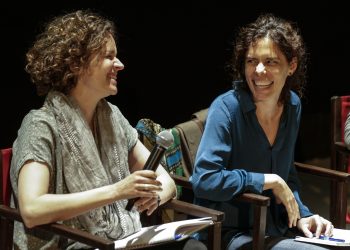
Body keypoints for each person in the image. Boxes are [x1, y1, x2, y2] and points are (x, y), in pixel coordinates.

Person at [10, 10, 206, 250]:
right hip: (71, 243)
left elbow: (165, 181)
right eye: (108, 56)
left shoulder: (112, 117)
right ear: (75, 64)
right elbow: (32, 209)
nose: (120, 65)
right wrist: (117, 191)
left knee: (193, 247)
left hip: (116, 240)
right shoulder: (41, 125)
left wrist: (154, 196)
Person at [190, 13, 336, 249]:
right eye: (251, 61)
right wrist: (267, 180)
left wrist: (302, 215)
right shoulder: (226, 109)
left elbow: (287, 175)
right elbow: (204, 180)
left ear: (292, 66)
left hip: (275, 225)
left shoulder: (292, 106)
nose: (258, 70)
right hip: (230, 231)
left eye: (271, 62)